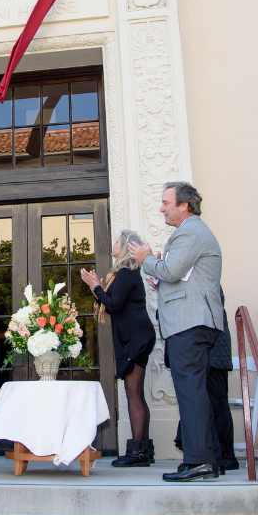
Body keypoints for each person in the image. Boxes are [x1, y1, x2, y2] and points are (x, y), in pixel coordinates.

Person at [128, 181, 224, 483]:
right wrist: (160, 273)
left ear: (185, 205)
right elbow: (179, 275)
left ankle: (198, 462)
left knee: (191, 394)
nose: (161, 208)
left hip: (190, 324)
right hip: (191, 324)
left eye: (166, 203)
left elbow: (169, 271)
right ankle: (204, 460)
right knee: (195, 393)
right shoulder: (192, 232)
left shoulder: (190, 231)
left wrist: (147, 260)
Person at [80, 229, 157, 467]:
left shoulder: (126, 272)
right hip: (135, 336)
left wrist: (96, 287)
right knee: (136, 393)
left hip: (136, 337)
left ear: (124, 247)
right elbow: (113, 303)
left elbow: (112, 304)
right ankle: (142, 450)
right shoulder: (123, 274)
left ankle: (138, 453)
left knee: (133, 393)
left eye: (116, 241)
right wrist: (100, 289)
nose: (112, 243)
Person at [173, 291, 238, 471]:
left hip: (213, 348)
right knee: (206, 402)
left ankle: (225, 454)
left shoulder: (206, 276)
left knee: (216, 403)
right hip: (208, 348)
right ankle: (215, 453)